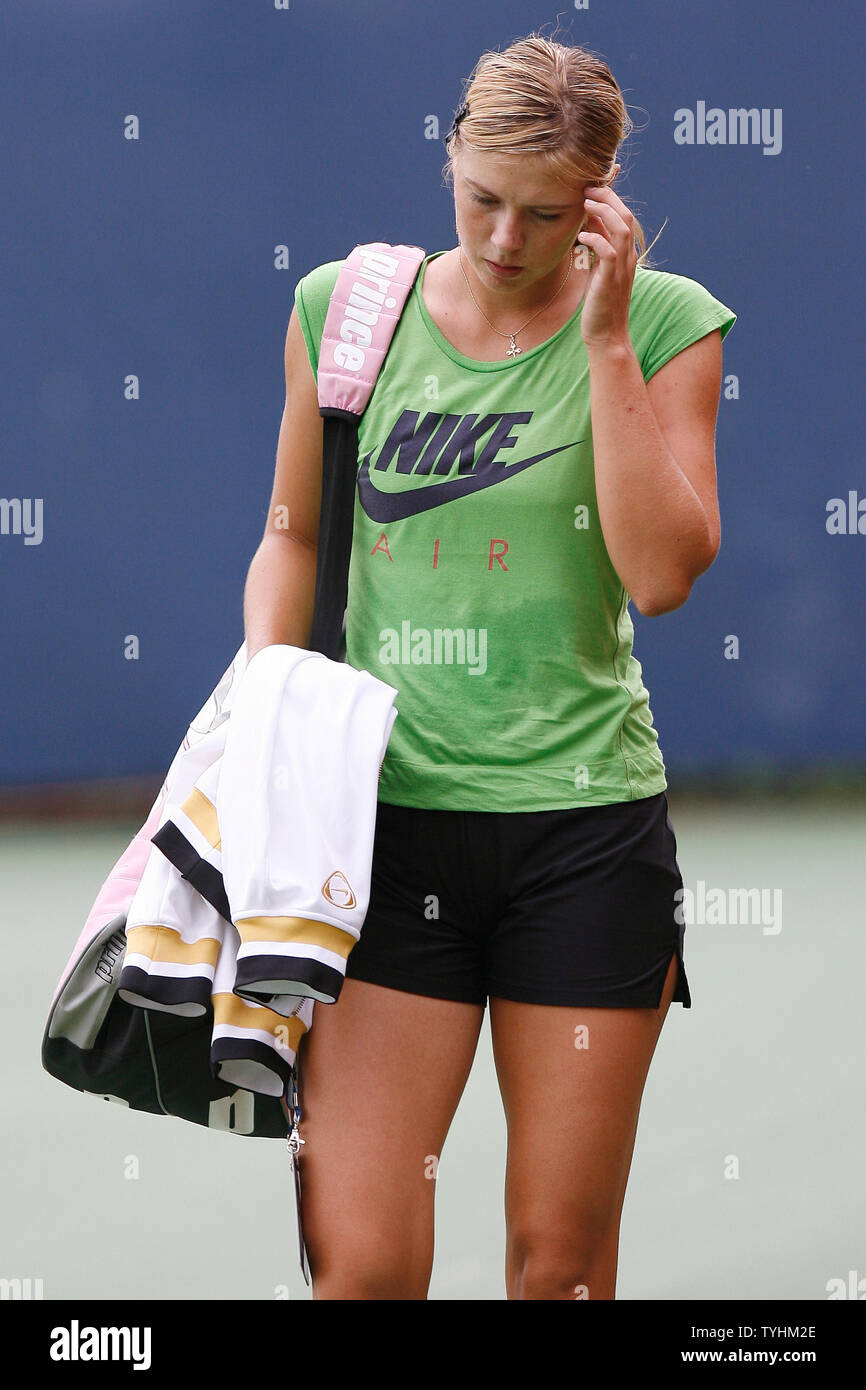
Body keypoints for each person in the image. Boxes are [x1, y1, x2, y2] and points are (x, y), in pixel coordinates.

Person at [242, 32, 736, 1300]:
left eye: (547, 214)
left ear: (603, 202)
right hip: (376, 842)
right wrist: (263, 709)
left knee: (556, 1272)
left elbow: (662, 574)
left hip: (585, 845)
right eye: (481, 200)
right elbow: (289, 541)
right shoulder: (341, 310)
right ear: (447, 149)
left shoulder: (669, 324)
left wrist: (608, 341)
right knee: (359, 1272)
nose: (507, 239)